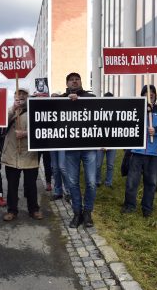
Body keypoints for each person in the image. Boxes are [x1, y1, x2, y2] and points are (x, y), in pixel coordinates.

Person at [121, 85, 157, 217]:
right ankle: (129, 206)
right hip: (137, 152)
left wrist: (156, 131)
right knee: (132, 181)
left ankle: (147, 209)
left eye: (152, 93)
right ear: (142, 94)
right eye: (147, 93)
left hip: (154, 153)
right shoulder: (135, 108)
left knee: (151, 182)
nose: (150, 95)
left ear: (155, 95)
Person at [1, 88, 43, 221]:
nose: (20, 98)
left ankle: (34, 209)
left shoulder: (35, 111)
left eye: (23, 96)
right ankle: (12, 210)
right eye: (17, 97)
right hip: (12, 154)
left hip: (29, 154)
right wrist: (13, 108)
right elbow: (1, 123)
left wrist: (26, 134)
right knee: (12, 185)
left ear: (27, 97)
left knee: (31, 184)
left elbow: (41, 129)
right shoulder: (10, 111)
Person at [61, 72, 97, 228]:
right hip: (71, 148)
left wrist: (80, 100)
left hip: (89, 147)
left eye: (77, 79)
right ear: (67, 83)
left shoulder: (91, 97)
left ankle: (87, 213)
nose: (74, 82)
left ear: (81, 82)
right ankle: (77, 213)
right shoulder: (62, 99)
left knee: (91, 182)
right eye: (71, 80)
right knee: (73, 182)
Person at [96, 92, 116, 188]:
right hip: (100, 144)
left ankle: (109, 182)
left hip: (112, 144)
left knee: (110, 165)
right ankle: (97, 181)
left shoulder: (117, 113)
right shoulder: (99, 112)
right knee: (98, 164)